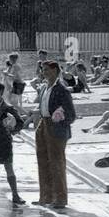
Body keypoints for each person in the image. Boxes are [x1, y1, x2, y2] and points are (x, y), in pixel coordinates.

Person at [33, 61, 76, 209]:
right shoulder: (45, 88)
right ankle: (46, 196)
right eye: (42, 70)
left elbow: (71, 114)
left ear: (55, 71)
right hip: (43, 124)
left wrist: (60, 117)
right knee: (43, 161)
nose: (43, 72)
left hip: (56, 127)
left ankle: (60, 198)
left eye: (46, 70)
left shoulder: (62, 89)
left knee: (56, 163)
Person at [0, 81, 26, 206]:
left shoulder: (8, 108)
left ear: (0, 92)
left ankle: (15, 194)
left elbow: (20, 123)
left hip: (4, 142)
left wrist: (12, 130)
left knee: (9, 168)